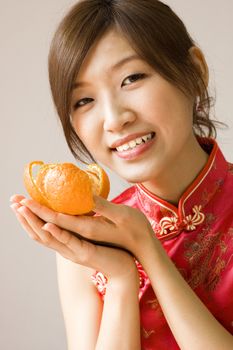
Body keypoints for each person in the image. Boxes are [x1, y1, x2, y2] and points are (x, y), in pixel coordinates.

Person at [10, 1, 233, 349]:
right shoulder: (85, 241)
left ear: (195, 71)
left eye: (132, 78)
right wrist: (119, 280)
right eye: (84, 101)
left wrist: (148, 249)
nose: (114, 119)